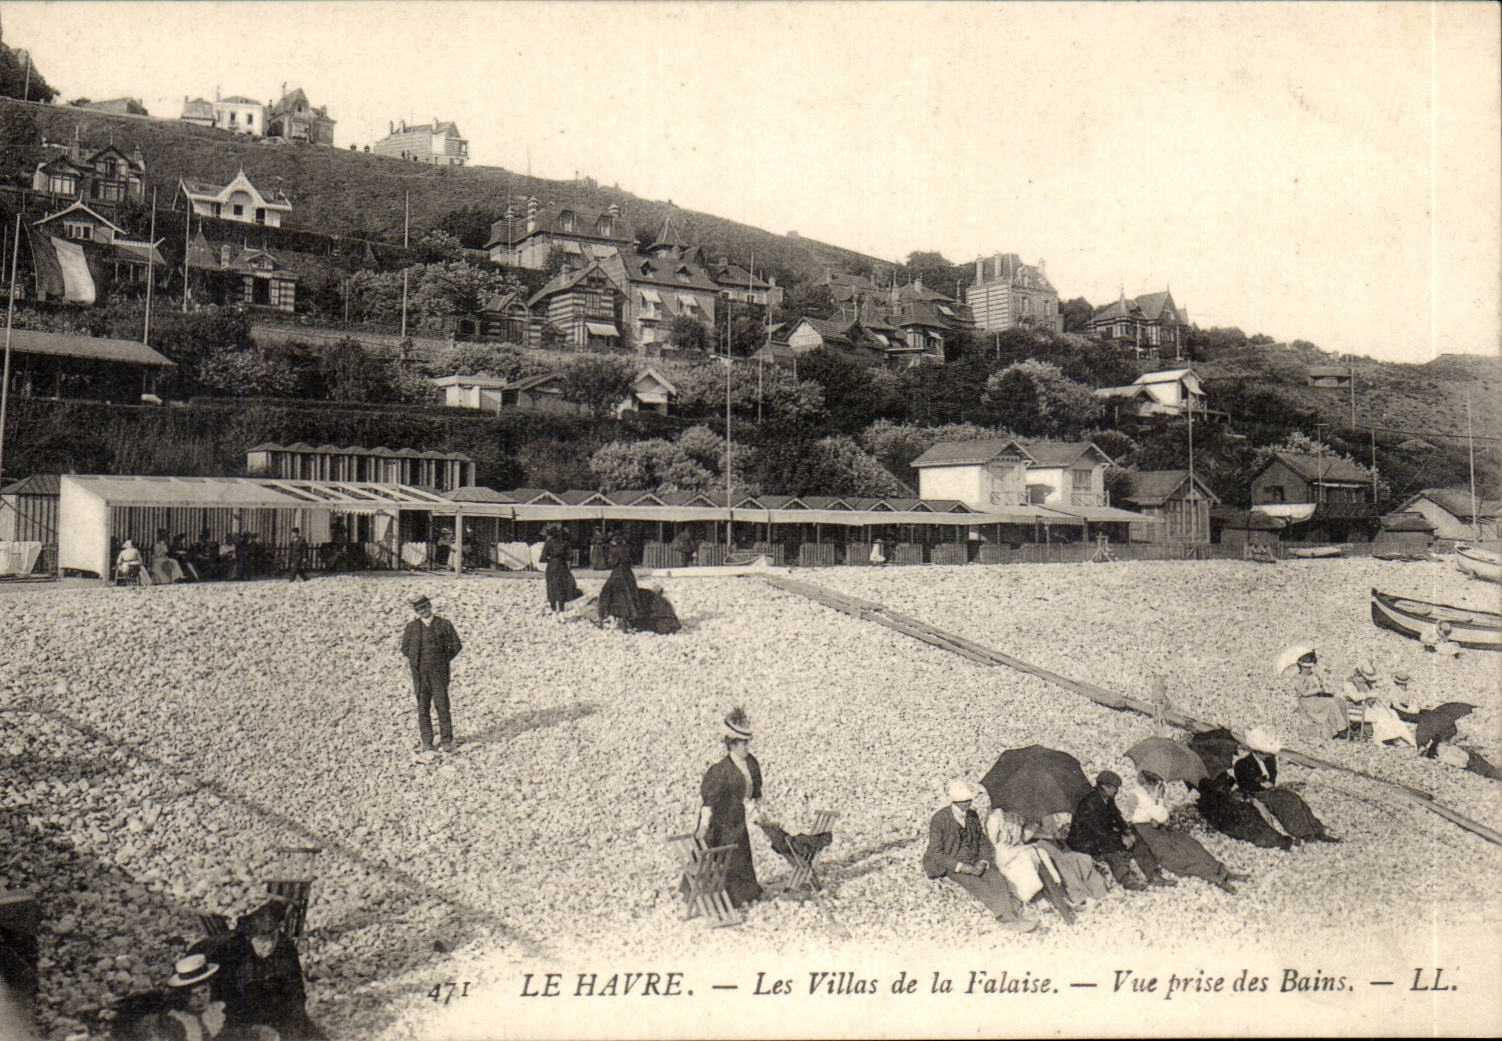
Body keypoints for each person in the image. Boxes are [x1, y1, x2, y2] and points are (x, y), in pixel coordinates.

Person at [192, 897, 323, 1041]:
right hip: (238, 1014)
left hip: (275, 1009)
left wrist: (292, 1029)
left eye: (273, 937)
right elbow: (219, 1002)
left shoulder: (285, 948)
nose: (269, 945)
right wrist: (250, 1030)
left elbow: (296, 993)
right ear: (250, 938)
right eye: (262, 940)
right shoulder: (230, 952)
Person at [922, 779, 1039, 932]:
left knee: (997, 878)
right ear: (955, 803)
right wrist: (961, 867)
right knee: (977, 884)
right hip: (951, 863)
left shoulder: (972, 815)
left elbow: (982, 841)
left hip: (973, 859)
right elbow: (936, 853)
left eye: (969, 800)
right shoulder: (939, 819)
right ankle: (1006, 918)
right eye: (965, 802)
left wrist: (983, 861)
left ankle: (1012, 914)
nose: (969, 804)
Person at [1120, 771, 1248, 892]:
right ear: (1149, 783)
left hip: (1152, 828)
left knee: (1187, 844)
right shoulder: (1141, 796)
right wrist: (1159, 797)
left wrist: (1155, 802)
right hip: (1147, 832)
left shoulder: (1140, 793)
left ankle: (1221, 873)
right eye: (1156, 783)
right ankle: (1216, 877)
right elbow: (1163, 817)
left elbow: (1154, 816)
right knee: (1180, 855)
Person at [696, 708, 766, 908]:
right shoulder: (721, 770)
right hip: (721, 821)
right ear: (732, 744)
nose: (747, 747)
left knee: (742, 854)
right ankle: (727, 898)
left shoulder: (751, 763)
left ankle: (746, 894)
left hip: (738, 818)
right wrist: (703, 826)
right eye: (743, 743)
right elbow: (708, 803)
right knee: (727, 857)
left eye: (748, 742)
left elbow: (755, 793)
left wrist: (761, 814)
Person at [1068, 771, 1172, 890]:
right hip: (1084, 841)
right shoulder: (1090, 802)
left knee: (1136, 839)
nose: (1117, 790)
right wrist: (1120, 839)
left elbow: (1117, 817)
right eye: (1115, 787)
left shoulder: (1108, 798)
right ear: (1104, 787)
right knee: (1109, 847)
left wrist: (1126, 831)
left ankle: (1153, 875)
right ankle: (1127, 879)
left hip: (1100, 835)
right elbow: (1098, 831)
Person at [1233, 732, 1341, 843]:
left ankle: (1318, 831)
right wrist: (1261, 783)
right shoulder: (1242, 764)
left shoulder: (1269, 761)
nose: (1268, 756)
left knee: (1294, 797)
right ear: (1256, 751)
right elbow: (1245, 784)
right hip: (1256, 793)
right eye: (1266, 753)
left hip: (1270, 791)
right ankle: (1304, 834)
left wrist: (1269, 784)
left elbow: (1272, 777)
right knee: (1284, 801)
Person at [400, 594, 463, 754]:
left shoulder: (444, 624)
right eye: (419, 609)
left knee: (442, 707)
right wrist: (417, 661)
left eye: (425, 607)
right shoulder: (412, 627)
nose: (423, 611)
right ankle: (427, 742)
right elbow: (405, 648)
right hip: (420, 675)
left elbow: (456, 645)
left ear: (430, 606)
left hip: (439, 674)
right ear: (416, 611)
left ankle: (446, 740)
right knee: (423, 709)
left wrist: (442, 660)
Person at [1193, 771, 1294, 851]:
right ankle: (1276, 839)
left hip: (1234, 818)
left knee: (1252, 823)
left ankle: (1276, 839)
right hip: (1233, 819)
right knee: (1253, 823)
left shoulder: (1205, 803)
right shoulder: (1212, 801)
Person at [1026, 813, 1110, 905]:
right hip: (1040, 846)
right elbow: (1025, 838)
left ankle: (1096, 890)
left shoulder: (1045, 814)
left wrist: (1056, 835)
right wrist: (1038, 827)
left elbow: (1054, 832)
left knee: (1080, 859)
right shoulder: (1025, 818)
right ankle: (1081, 895)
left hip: (1054, 844)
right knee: (1066, 865)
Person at [160, 953, 227, 1040]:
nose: (201, 998)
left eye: (204, 991)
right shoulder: (176, 1020)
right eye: (193, 994)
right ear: (183, 996)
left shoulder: (220, 1012)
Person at [596, 533, 640, 629]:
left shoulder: (614, 550)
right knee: (627, 596)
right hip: (628, 574)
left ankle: (609, 617)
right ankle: (625, 620)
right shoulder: (627, 549)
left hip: (618, 574)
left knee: (608, 593)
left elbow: (612, 562)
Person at [539, 524, 580, 618]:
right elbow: (570, 557)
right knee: (562, 588)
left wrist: (551, 558)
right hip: (562, 566)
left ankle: (554, 611)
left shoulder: (548, 543)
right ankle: (561, 611)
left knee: (552, 587)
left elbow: (543, 558)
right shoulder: (565, 543)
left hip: (551, 567)